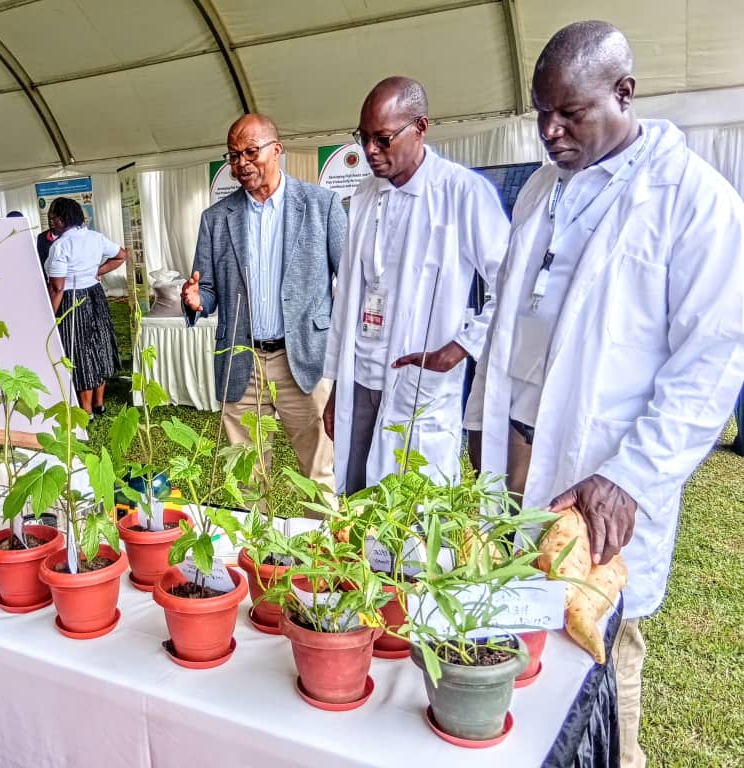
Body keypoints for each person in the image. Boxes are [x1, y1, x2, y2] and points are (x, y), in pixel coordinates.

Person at [464, 21, 744, 767]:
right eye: (540, 114)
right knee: (515, 625)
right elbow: (506, 319)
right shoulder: (541, 192)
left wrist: (629, 477)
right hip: (518, 457)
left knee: (599, 645)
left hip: (603, 469)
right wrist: (478, 421)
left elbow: (712, 361)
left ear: (625, 93)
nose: (550, 132)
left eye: (570, 114)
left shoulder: (695, 202)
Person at [323, 77, 508, 494]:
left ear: (421, 127)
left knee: (408, 515)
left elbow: (511, 283)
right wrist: (338, 388)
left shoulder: (461, 192)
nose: (370, 151)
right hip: (361, 378)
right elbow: (350, 294)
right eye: (364, 137)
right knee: (355, 502)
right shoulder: (367, 193)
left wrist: (463, 346)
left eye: (383, 138)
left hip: (417, 382)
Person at [182, 114, 346, 492]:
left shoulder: (322, 205)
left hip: (304, 359)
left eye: (251, 152)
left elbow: (352, 282)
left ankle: (324, 550)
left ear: (277, 149)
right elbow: (206, 290)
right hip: (242, 362)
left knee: (319, 476)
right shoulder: (216, 219)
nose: (242, 163)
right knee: (247, 479)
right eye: (234, 155)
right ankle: (253, 552)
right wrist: (196, 301)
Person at [44, 197, 128, 415]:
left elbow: (57, 288)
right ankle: (99, 404)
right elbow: (122, 255)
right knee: (100, 346)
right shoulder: (95, 237)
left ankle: (86, 411)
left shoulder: (60, 246)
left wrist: (49, 317)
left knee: (79, 353)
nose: (50, 222)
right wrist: (97, 271)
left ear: (64, 218)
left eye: (53, 217)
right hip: (95, 295)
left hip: (72, 300)